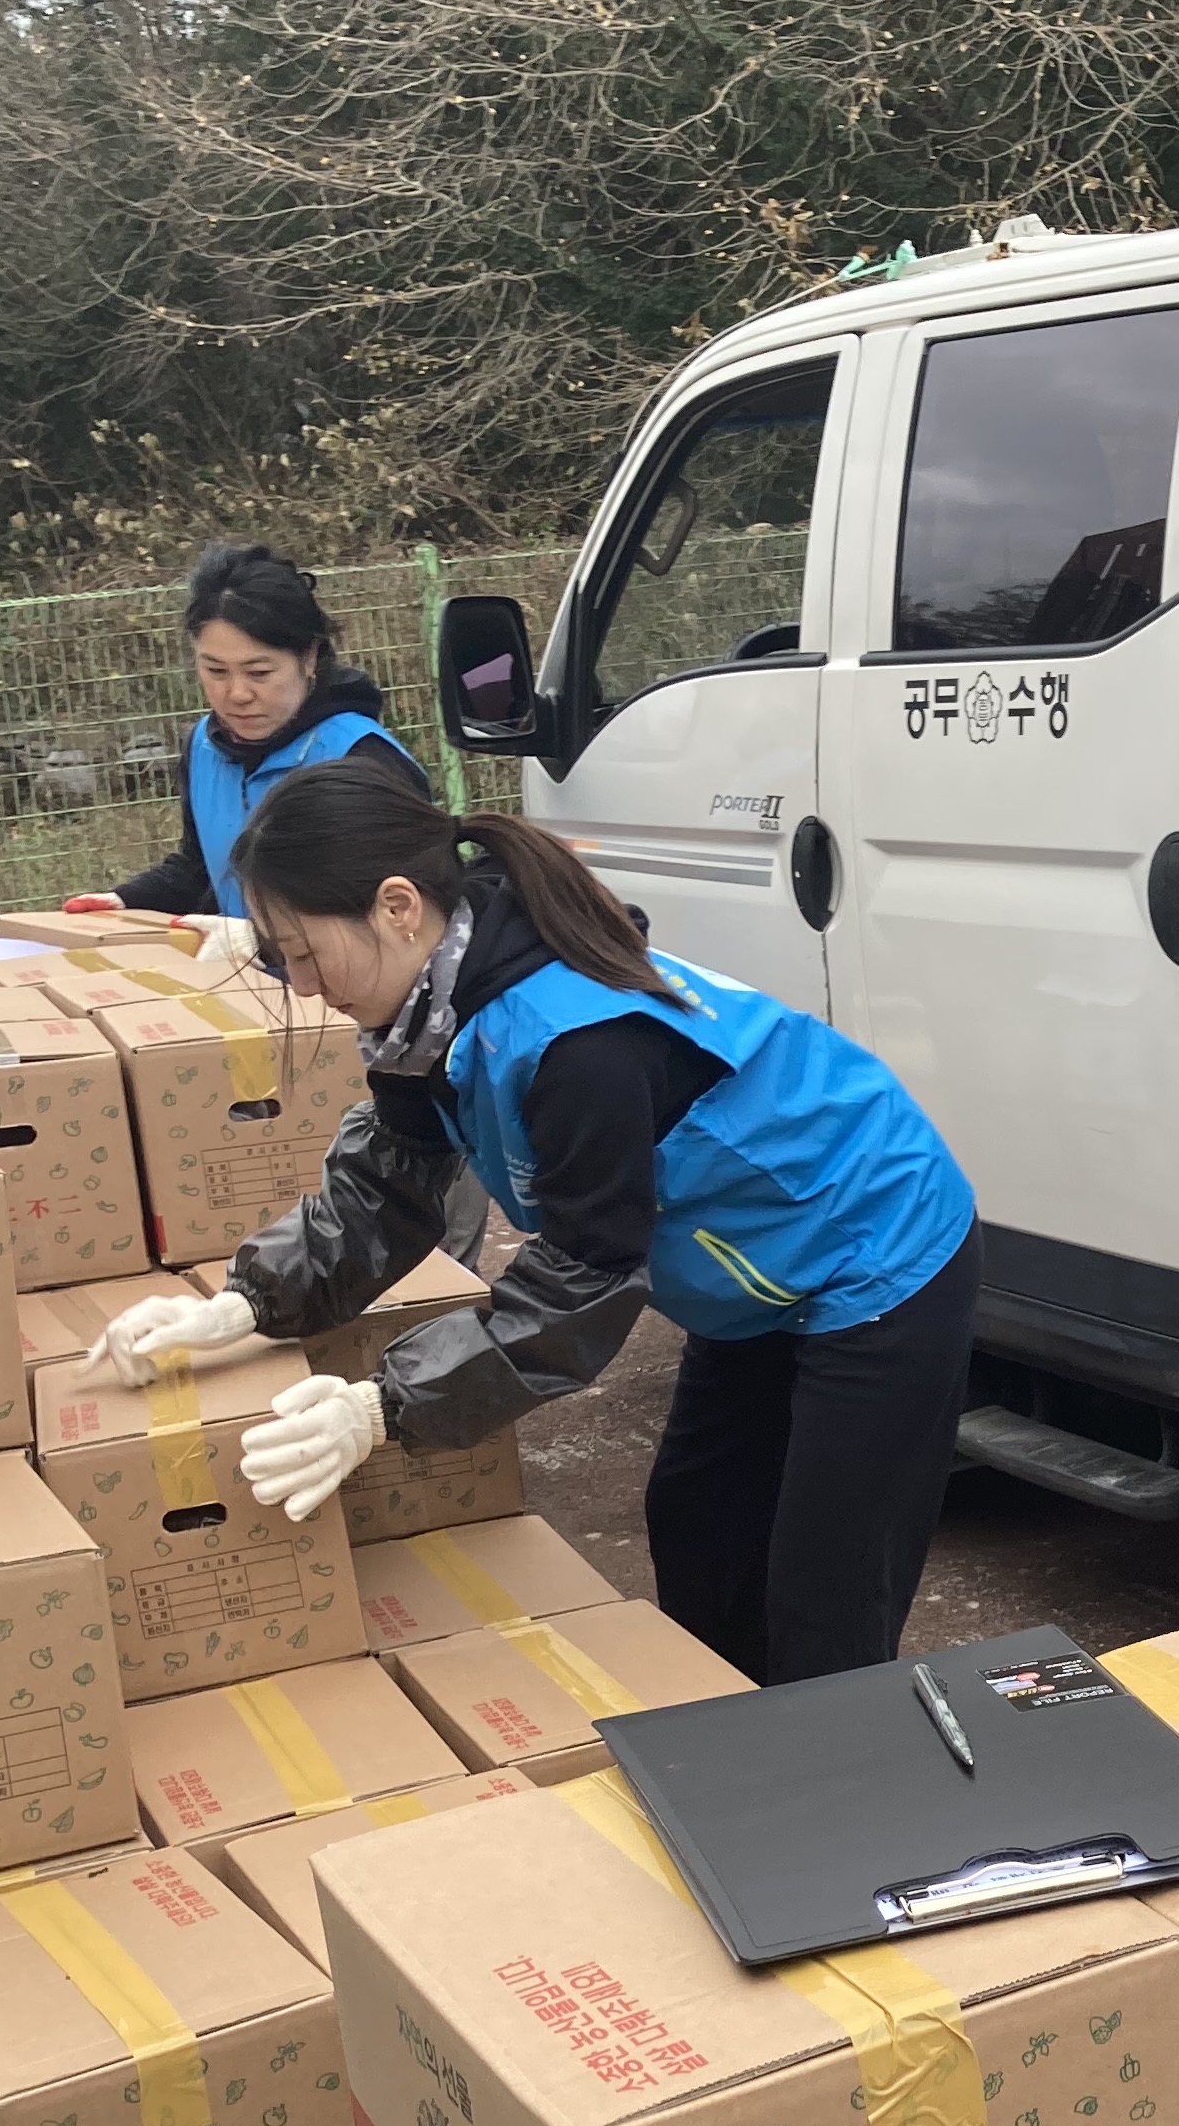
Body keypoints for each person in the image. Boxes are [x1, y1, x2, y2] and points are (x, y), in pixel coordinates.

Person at [83, 760, 982, 1686]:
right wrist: (243, 1305)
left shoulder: (575, 1046)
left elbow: (583, 1281)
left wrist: (382, 1406)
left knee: (824, 1595)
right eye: (282, 961)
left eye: (306, 953)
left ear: (398, 907)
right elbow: (387, 1187)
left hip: (873, 1249)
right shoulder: (426, 1013)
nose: (305, 986)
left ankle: (838, 1758)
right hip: (754, 1269)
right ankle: (739, 1742)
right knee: (702, 1530)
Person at [71, 542, 424, 965]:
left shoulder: (361, 759)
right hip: (245, 986)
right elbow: (200, 868)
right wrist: (124, 901)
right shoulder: (203, 745)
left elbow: (404, 913)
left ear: (309, 657)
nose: (237, 694)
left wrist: (264, 941)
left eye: (259, 672)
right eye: (215, 670)